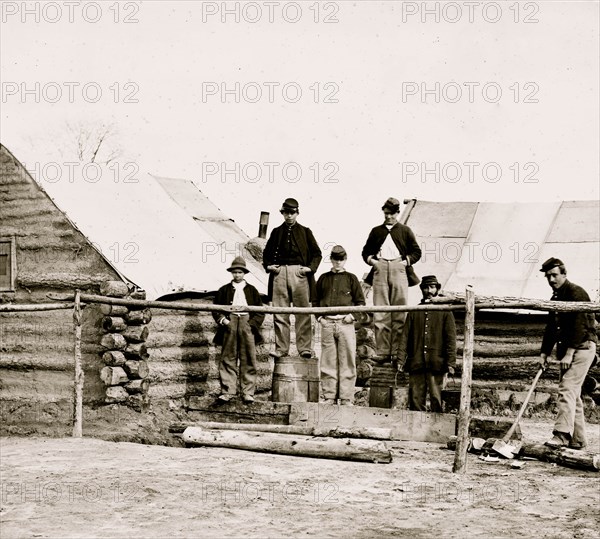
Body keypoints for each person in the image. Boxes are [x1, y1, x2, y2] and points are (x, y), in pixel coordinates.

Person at [538, 258, 597, 449]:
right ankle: (578, 440)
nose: (551, 279)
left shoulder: (576, 293)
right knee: (574, 394)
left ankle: (562, 435)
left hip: (582, 348)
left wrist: (569, 353)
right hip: (568, 351)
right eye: (548, 276)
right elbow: (551, 329)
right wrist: (544, 353)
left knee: (566, 388)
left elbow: (581, 326)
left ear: (564, 274)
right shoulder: (555, 299)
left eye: (555, 275)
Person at [361, 197, 422, 362]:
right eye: (386, 213)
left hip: (398, 269)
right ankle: (382, 351)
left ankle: (396, 352)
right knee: (381, 312)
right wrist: (373, 262)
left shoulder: (405, 230)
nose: (389, 217)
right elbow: (365, 252)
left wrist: (404, 262)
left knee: (399, 312)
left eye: (392, 213)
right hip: (380, 269)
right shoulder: (376, 231)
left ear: (397, 213)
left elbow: (416, 252)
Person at [263, 198, 322, 359]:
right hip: (280, 274)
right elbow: (267, 254)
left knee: (302, 313)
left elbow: (317, 253)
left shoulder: (305, 231)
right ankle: (282, 348)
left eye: (292, 213)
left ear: (297, 213)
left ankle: (305, 349)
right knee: (280, 313)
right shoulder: (276, 232)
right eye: (286, 213)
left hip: (299, 274)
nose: (289, 216)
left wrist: (309, 268)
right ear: (282, 213)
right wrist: (269, 266)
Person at [315, 245, 366, 405]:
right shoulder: (323, 278)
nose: (338, 262)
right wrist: (320, 319)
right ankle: (329, 396)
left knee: (348, 360)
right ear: (331, 259)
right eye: (335, 259)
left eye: (341, 259)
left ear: (345, 260)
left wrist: (352, 316)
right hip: (327, 323)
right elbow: (315, 301)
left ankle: (346, 398)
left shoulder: (352, 278)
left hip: (346, 323)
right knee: (328, 361)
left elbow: (360, 302)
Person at [397, 275, 456, 412]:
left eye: (432, 287)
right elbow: (405, 336)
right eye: (426, 287)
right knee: (416, 399)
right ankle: (416, 429)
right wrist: (400, 359)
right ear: (422, 290)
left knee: (437, 398)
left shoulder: (445, 311)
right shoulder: (414, 311)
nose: (429, 290)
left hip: (436, 363)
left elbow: (450, 339)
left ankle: (437, 429)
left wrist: (451, 362)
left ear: (437, 289)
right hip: (416, 362)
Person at [213, 256, 265, 404]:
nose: (237, 275)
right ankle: (228, 391)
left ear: (244, 274)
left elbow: (260, 311)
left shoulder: (252, 290)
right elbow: (215, 309)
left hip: (246, 323)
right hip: (230, 322)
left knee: (248, 357)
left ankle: (248, 392)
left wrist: (251, 324)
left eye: (240, 272)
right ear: (231, 273)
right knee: (228, 357)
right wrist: (224, 321)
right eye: (234, 272)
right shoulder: (224, 290)